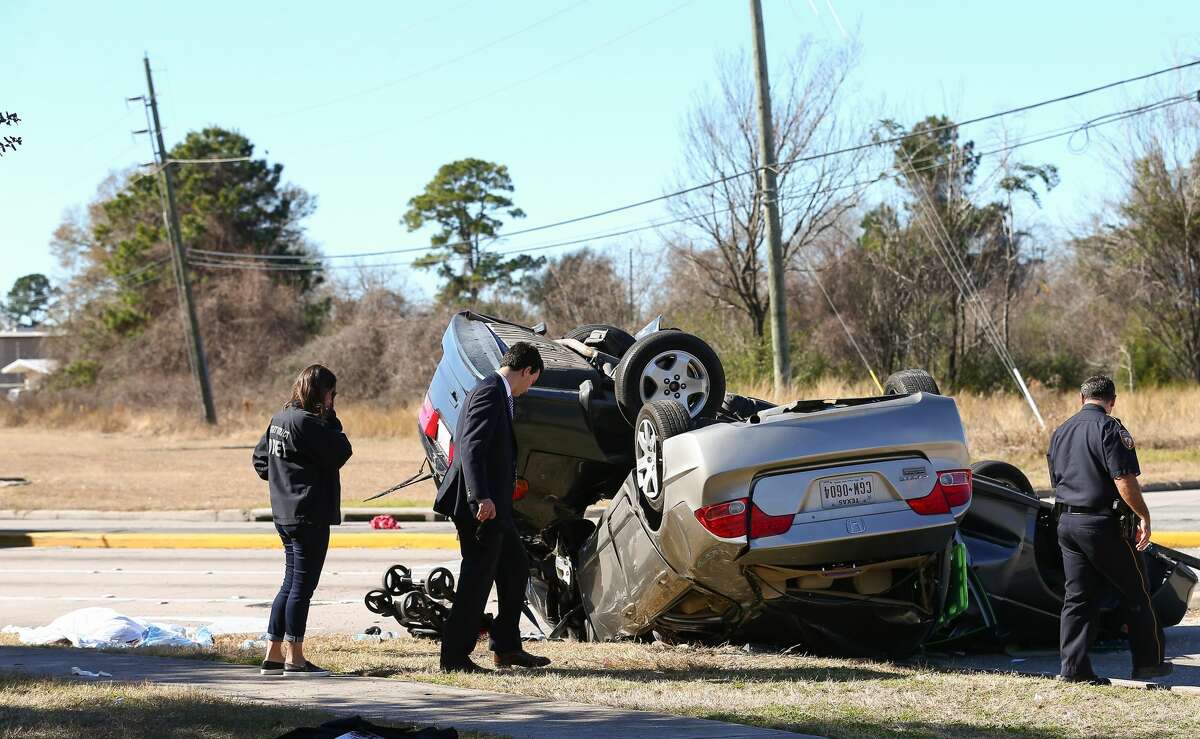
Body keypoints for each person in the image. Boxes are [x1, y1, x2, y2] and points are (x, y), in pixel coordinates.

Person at [433, 341, 550, 673]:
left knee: (515, 567)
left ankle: (507, 647)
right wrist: (480, 496)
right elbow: (470, 447)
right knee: (477, 579)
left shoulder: (498, 392)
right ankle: (454, 657)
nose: (530, 389)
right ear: (526, 370)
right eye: (533, 381)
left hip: (494, 505)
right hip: (479, 506)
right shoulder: (489, 392)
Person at [1047, 375, 1171, 685]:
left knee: (1077, 597)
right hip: (1102, 527)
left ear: (1081, 398)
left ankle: (1074, 670)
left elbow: (1056, 479)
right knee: (1137, 592)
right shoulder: (1110, 428)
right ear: (1112, 400)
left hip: (1067, 523)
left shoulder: (1060, 432)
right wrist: (1143, 515)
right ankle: (1148, 663)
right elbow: (1123, 479)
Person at [252, 364, 353, 677]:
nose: (334, 399)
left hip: (284, 513)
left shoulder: (280, 419)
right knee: (302, 589)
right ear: (322, 393)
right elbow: (342, 451)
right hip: (309, 514)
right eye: (332, 393)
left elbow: (260, 460)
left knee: (289, 584)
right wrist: (331, 417)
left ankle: (273, 652)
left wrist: (284, 479)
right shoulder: (310, 423)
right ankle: (295, 657)